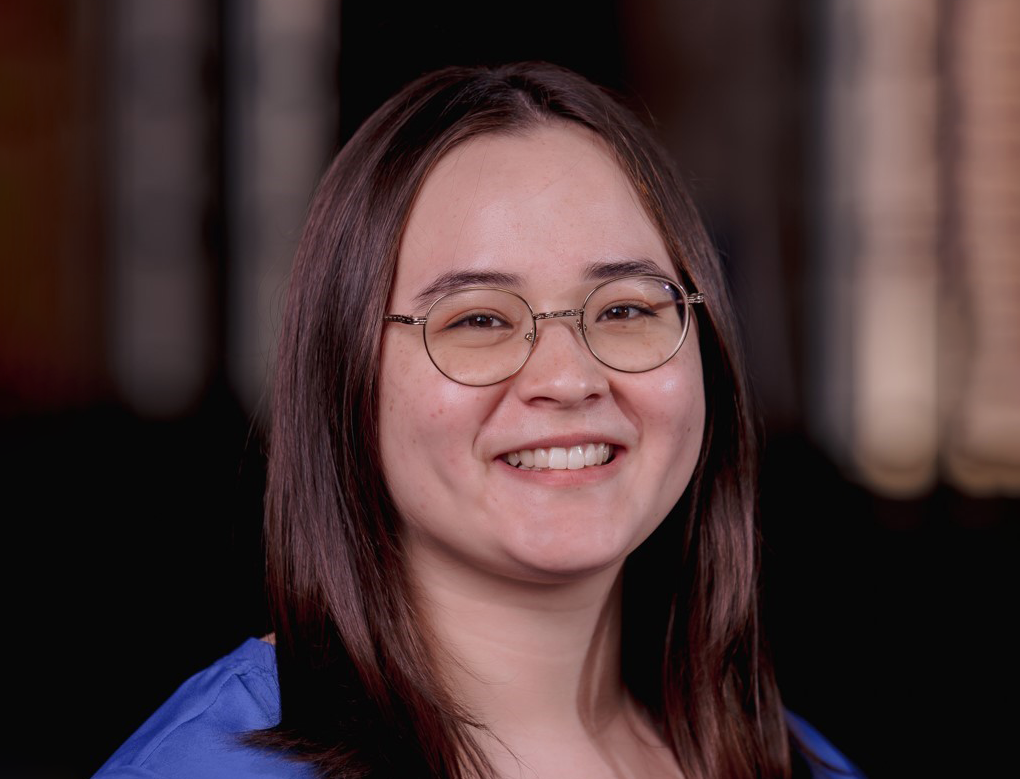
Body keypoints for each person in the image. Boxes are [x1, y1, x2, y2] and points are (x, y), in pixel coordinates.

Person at [95, 63, 863, 779]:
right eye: (478, 320)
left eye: (626, 309)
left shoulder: (795, 763)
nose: (568, 378)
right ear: (346, 376)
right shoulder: (206, 764)